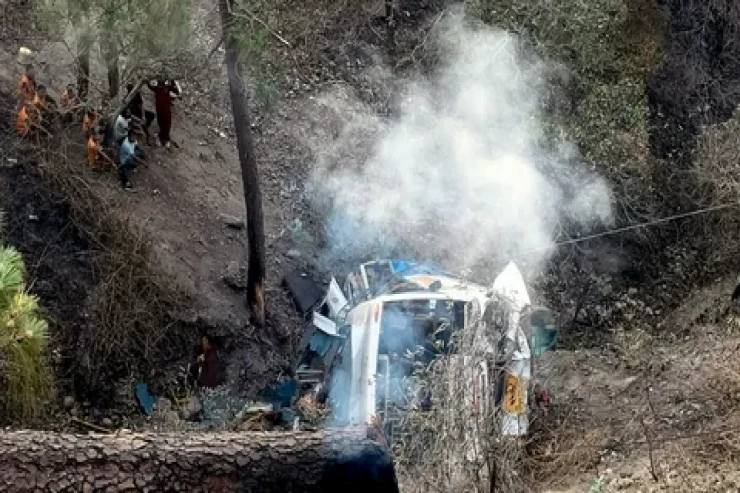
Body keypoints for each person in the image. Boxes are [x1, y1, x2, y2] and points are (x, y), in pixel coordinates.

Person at [147, 79, 175, 149]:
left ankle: (166, 138)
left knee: (167, 124)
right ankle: (161, 137)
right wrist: (147, 81)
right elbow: (150, 86)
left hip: (166, 111)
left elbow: (174, 88)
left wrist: (171, 82)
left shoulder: (167, 88)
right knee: (161, 123)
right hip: (160, 110)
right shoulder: (158, 88)